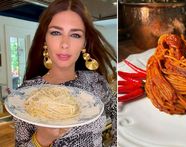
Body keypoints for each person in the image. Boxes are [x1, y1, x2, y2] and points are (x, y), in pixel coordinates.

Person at [14, 0, 117, 146]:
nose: (64, 44)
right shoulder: (26, 93)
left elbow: (119, 114)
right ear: (45, 39)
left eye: (75, 35)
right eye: (56, 32)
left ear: (84, 42)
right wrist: (42, 139)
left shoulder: (96, 82)